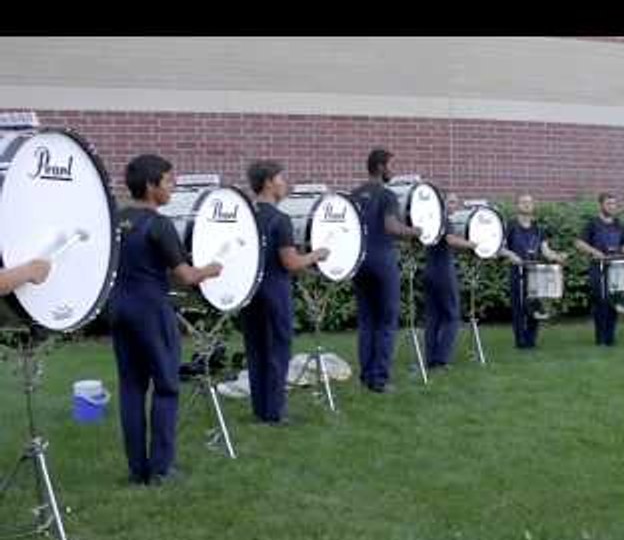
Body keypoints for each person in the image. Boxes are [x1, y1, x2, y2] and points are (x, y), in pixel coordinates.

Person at [108, 154, 222, 486]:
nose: (172, 187)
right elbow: (185, 276)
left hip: (119, 309)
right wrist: (211, 269)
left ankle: (136, 470)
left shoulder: (115, 220)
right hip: (151, 311)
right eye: (169, 181)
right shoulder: (159, 224)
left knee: (131, 389)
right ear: (150, 185)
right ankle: (161, 469)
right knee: (167, 387)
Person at [240, 161, 329, 425]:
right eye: (281, 178)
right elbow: (290, 263)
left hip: (249, 291)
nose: (285, 183)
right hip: (274, 292)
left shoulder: (247, 215)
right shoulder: (280, 219)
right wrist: (317, 254)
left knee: (256, 351)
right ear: (268, 182)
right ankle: (275, 413)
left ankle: (260, 411)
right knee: (278, 352)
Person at [351, 148, 421, 393]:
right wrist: (415, 232)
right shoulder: (387, 195)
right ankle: (379, 379)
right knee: (386, 322)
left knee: (367, 321)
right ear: (380, 167)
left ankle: (366, 376)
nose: (393, 170)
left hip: (359, 262)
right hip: (382, 263)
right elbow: (391, 227)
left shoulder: (355, 195)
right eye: (391, 165)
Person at [573, 192, 624, 346]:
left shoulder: (618, 224)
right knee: (601, 304)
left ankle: (610, 339)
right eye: (609, 204)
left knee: (614, 303)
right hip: (598, 268)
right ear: (601, 205)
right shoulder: (592, 224)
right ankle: (600, 339)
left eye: (614, 204)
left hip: (616, 269)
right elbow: (578, 243)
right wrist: (594, 252)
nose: (612, 207)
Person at [500, 192, 568, 349]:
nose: (527, 204)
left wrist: (557, 256)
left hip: (536, 272)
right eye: (523, 202)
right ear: (517, 205)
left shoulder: (538, 228)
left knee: (535, 306)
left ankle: (531, 340)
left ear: (533, 206)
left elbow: (545, 250)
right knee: (519, 307)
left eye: (529, 202)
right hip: (517, 270)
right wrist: (511, 254)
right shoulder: (510, 226)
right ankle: (520, 341)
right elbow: (500, 248)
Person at [423, 192, 478, 370]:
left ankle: (430, 359)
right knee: (452, 316)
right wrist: (472, 244)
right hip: (443, 273)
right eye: (451, 202)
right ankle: (442, 359)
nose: (454, 205)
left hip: (430, 270)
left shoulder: (430, 219)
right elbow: (451, 240)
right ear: (443, 203)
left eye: (456, 202)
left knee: (433, 318)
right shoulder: (444, 219)